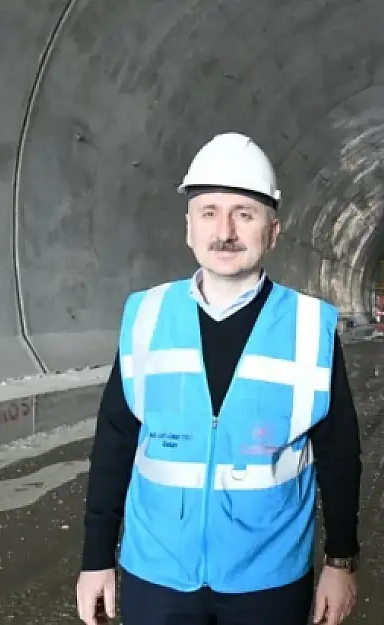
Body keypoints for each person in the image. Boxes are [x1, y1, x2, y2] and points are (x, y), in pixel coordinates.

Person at [75, 133, 363, 625]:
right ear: (188, 228)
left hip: (268, 580)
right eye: (209, 212)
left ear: (272, 232)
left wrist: (340, 562)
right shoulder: (147, 316)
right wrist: (96, 557)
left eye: (244, 214)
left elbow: (338, 456)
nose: (225, 230)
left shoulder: (308, 328)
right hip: (155, 575)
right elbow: (115, 443)